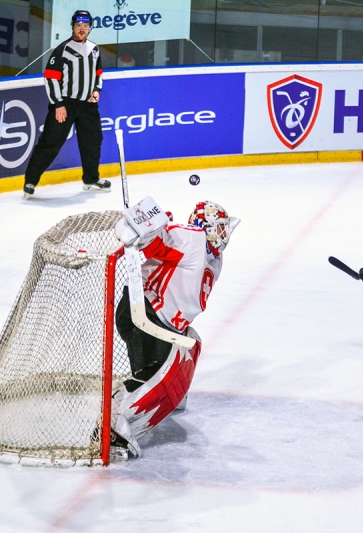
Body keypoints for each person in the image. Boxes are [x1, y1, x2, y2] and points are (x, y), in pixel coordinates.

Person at [108, 199, 240, 459]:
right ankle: (114, 426)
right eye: (220, 227)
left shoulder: (214, 256)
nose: (224, 234)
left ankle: (169, 394)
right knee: (153, 376)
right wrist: (142, 227)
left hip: (162, 320)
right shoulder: (192, 238)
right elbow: (156, 245)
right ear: (206, 225)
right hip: (144, 312)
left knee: (190, 345)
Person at [23, 10, 108, 199]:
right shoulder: (62, 49)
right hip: (65, 105)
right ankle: (30, 181)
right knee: (50, 143)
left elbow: (98, 74)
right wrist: (58, 104)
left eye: (86, 26)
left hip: (87, 105)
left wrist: (96, 91)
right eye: (79, 26)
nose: (82, 29)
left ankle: (91, 179)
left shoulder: (94, 49)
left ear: (90, 28)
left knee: (93, 142)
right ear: (73, 27)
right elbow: (51, 79)